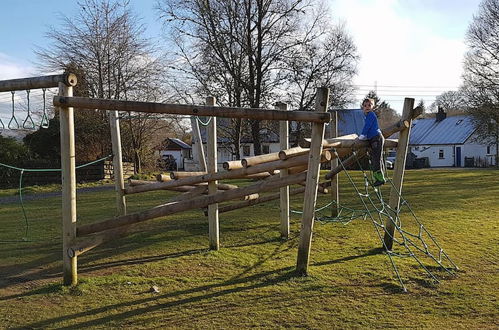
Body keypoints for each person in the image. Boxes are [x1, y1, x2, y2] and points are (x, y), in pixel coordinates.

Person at [358, 98, 385, 186]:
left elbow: (367, 126)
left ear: (373, 107)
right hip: (373, 138)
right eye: (365, 106)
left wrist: (362, 136)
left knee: (376, 159)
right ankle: (378, 178)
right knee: (375, 158)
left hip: (376, 138)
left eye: (369, 105)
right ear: (363, 107)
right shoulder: (367, 116)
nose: (367, 107)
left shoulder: (371, 115)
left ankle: (380, 179)